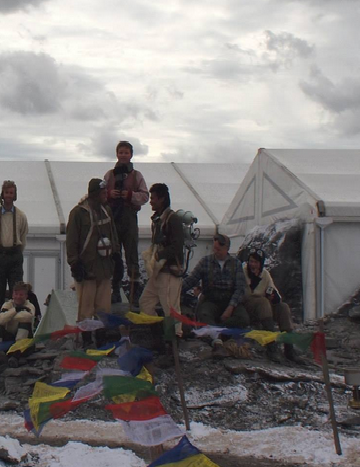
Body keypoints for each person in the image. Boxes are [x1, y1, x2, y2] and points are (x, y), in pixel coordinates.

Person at [66, 178, 119, 348]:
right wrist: (74, 263)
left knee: (104, 308)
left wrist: (117, 257)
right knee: (86, 310)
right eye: (103, 192)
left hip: (104, 268)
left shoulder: (106, 211)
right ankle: (87, 342)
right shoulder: (78, 213)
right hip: (87, 268)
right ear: (95, 193)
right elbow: (72, 240)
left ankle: (102, 340)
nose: (106, 195)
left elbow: (113, 234)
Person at [183, 233, 250, 349]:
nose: (216, 251)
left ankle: (219, 331)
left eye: (219, 249)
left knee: (243, 318)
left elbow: (240, 288)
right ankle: (216, 338)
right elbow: (192, 279)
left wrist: (230, 307)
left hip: (229, 301)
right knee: (204, 314)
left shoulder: (236, 264)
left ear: (227, 248)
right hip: (211, 300)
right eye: (215, 248)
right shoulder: (206, 262)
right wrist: (176, 290)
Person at [103, 140, 149, 306]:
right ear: (117, 154)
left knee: (131, 255)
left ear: (131, 155)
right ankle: (115, 290)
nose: (123, 155)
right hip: (113, 218)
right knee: (114, 255)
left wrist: (129, 195)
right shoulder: (109, 175)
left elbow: (145, 196)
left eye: (126, 152)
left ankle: (134, 291)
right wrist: (110, 194)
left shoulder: (137, 176)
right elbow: (100, 194)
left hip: (129, 217)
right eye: (121, 152)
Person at [139, 183, 184, 340]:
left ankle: (173, 344)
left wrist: (160, 255)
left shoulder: (173, 220)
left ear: (162, 199)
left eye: (153, 198)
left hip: (169, 272)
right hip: (158, 273)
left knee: (171, 310)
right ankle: (158, 338)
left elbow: (178, 247)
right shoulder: (158, 220)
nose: (150, 202)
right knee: (145, 303)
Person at [241, 249, 296, 362]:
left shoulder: (265, 275)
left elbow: (275, 293)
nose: (253, 265)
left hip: (263, 309)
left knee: (283, 307)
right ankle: (271, 347)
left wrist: (273, 297)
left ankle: (289, 349)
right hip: (247, 306)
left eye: (256, 262)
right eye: (251, 261)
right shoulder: (242, 273)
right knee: (263, 302)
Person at [0, 180, 29, 315]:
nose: (9, 195)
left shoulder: (21, 216)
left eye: (11, 193)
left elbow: (23, 235)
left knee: (16, 292)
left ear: (15, 195)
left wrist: (16, 252)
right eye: (6, 192)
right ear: (2, 194)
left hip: (15, 256)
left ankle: (15, 322)